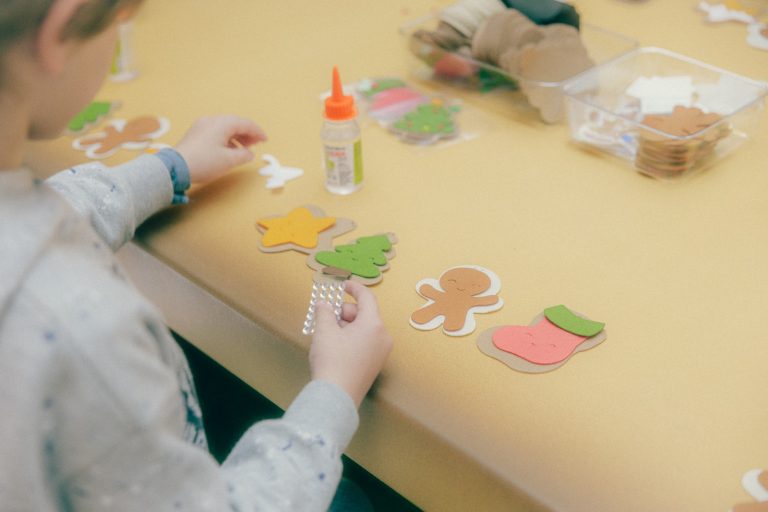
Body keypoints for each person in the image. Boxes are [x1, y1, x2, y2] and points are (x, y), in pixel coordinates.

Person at [0, 1, 393, 510]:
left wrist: (169, 168)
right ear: (60, 30)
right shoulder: (82, 333)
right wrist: (335, 391)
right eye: (119, 20)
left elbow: (49, 212)